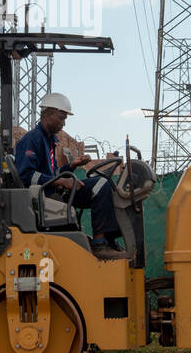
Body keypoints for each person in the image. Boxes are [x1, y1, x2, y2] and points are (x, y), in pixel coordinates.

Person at [14, 92, 125, 259]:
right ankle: (100, 244)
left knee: (106, 184)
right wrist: (61, 181)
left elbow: (53, 174)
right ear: (48, 114)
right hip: (47, 197)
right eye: (61, 117)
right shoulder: (32, 139)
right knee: (102, 184)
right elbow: (26, 176)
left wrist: (71, 166)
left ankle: (109, 239)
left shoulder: (49, 141)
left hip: (54, 192)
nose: (64, 123)